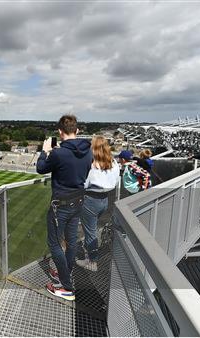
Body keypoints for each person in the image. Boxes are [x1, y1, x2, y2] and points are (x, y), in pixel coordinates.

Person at [36, 114, 92, 301]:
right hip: (79, 201)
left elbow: (41, 168)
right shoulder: (88, 151)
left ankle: (67, 287)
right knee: (71, 241)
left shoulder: (59, 153)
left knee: (54, 244)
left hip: (61, 204)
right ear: (77, 131)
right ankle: (64, 274)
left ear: (60, 132)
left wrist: (44, 152)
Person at [76, 136, 119, 272]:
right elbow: (116, 181)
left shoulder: (92, 164)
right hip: (105, 200)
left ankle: (92, 262)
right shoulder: (113, 162)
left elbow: (83, 184)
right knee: (92, 230)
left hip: (91, 200)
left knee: (91, 233)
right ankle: (91, 255)